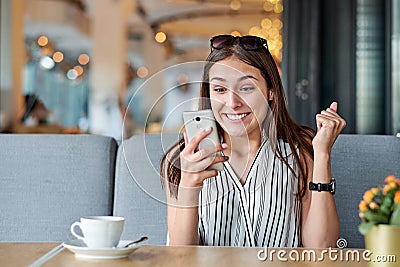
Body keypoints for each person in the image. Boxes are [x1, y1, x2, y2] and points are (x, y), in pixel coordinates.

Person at [160, 35, 346, 248]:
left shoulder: (298, 151)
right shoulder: (180, 160)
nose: (232, 102)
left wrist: (322, 154)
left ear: (270, 92)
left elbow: (321, 249)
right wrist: (188, 186)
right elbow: (179, 259)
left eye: (246, 88)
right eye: (220, 89)